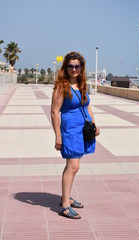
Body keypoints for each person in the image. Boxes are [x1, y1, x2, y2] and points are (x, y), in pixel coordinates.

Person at [51, 51, 100, 219]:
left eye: (77, 66)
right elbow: (54, 112)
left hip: (83, 130)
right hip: (70, 131)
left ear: (81, 68)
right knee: (73, 166)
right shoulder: (61, 86)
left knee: (72, 166)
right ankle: (65, 206)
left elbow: (87, 107)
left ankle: (66, 197)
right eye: (70, 66)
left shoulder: (82, 84)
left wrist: (94, 124)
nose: (74, 69)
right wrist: (58, 136)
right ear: (66, 67)